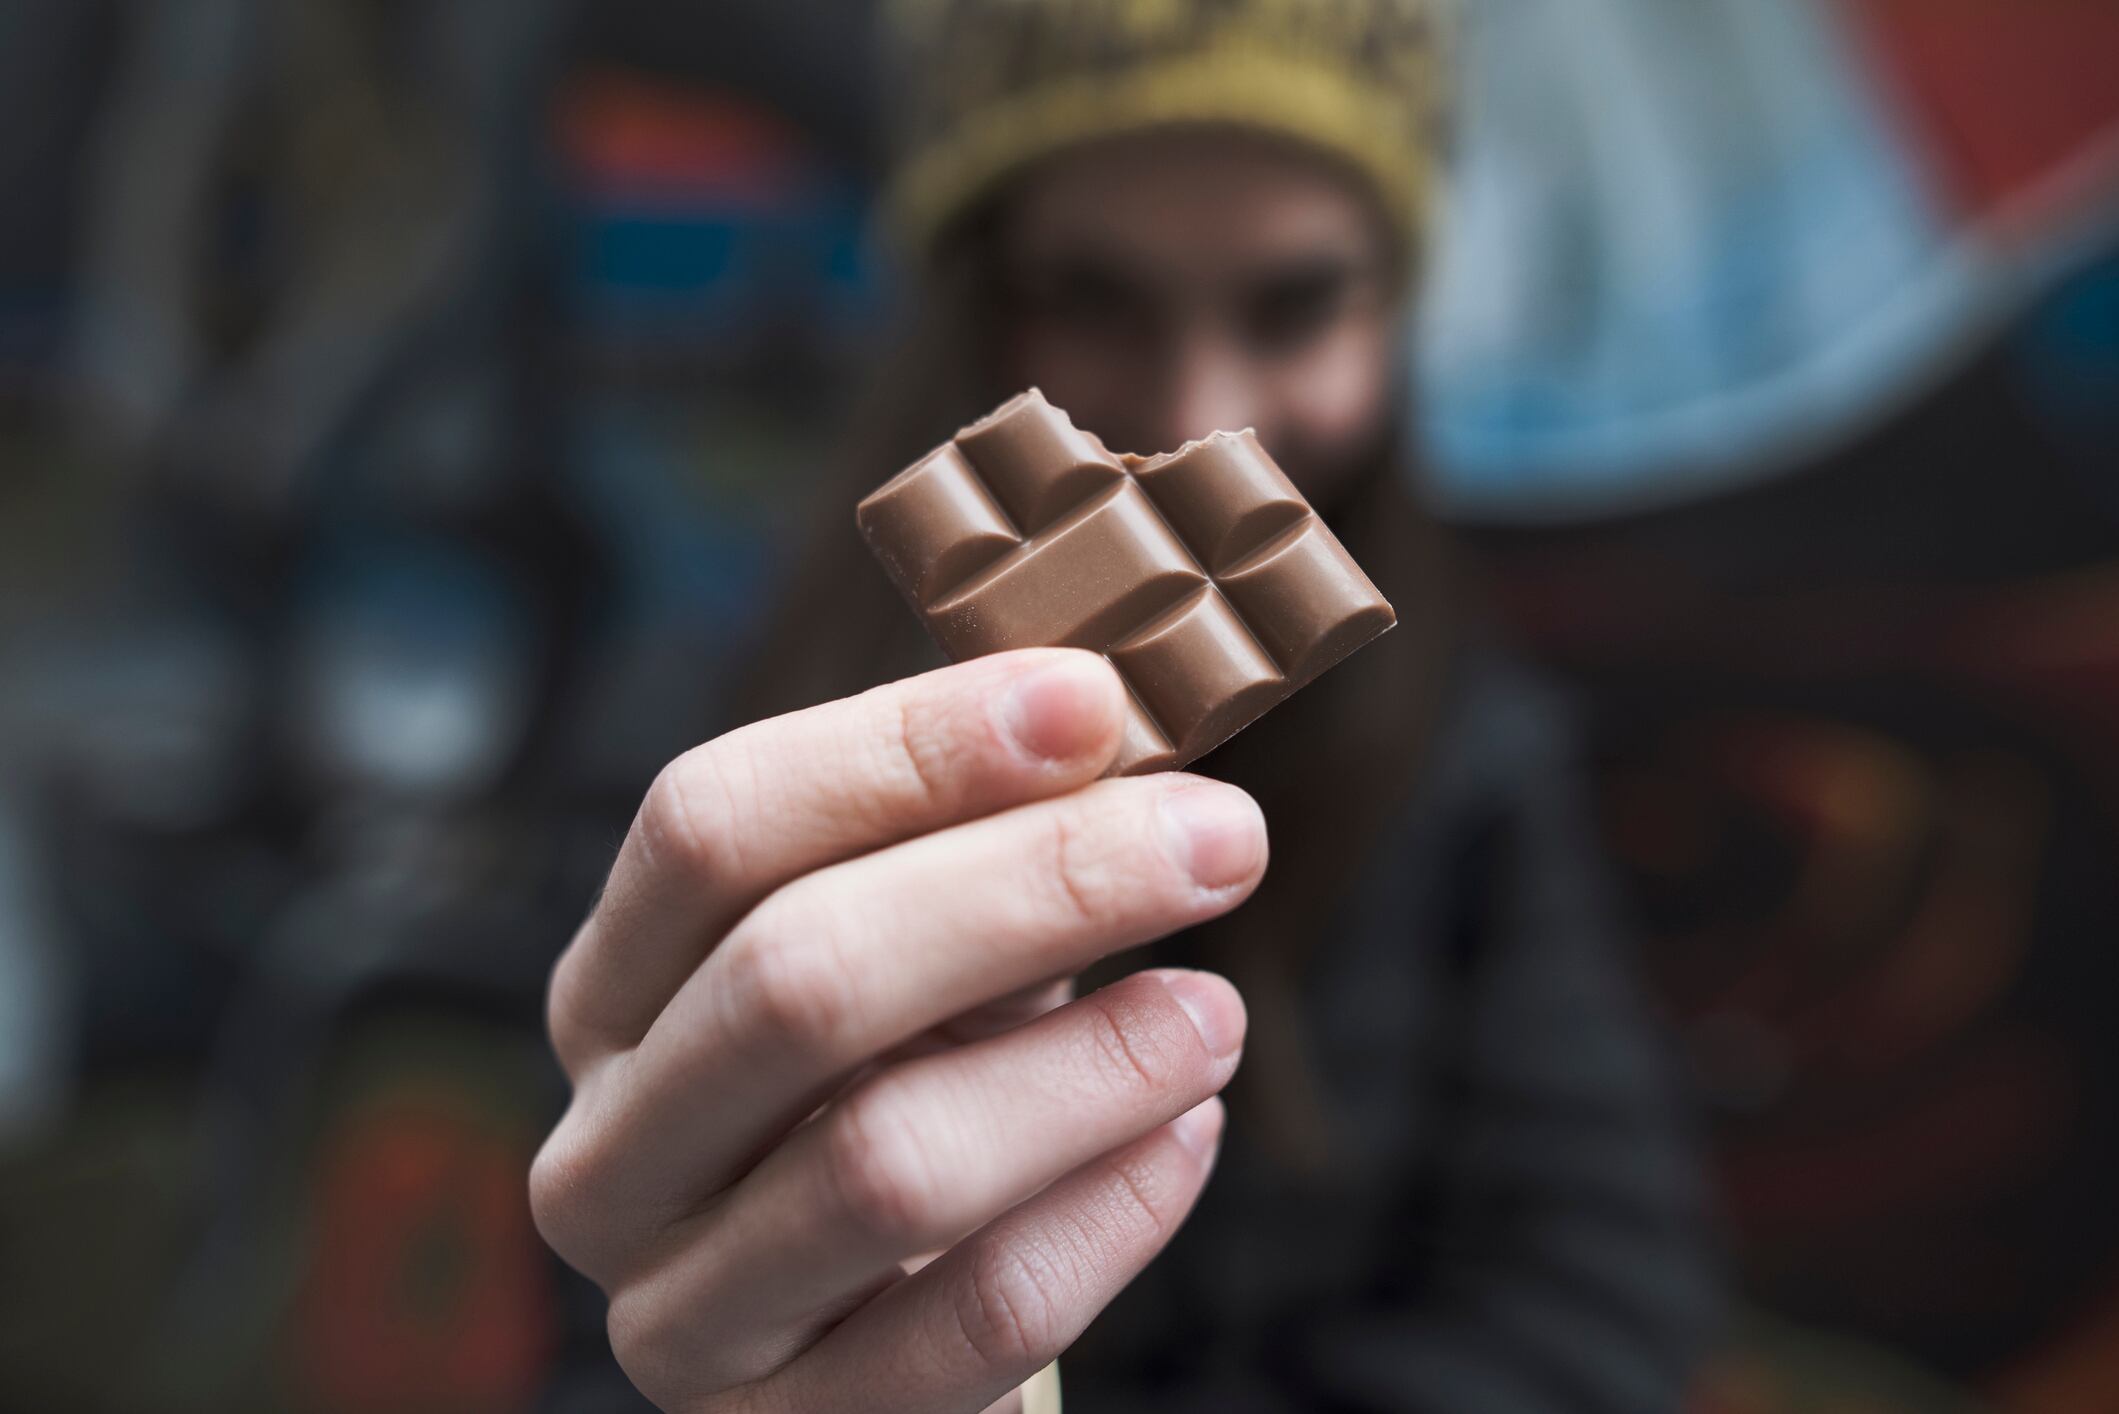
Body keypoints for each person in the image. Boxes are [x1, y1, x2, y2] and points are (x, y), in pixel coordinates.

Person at [529, 2, 1718, 1410]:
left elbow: (1610, 1296)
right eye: (1095, 299)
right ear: (969, 308)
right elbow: (589, 1350)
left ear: (1395, 311)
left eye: (1295, 303)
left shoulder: (1473, 754)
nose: (1199, 410)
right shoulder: (715, 749)